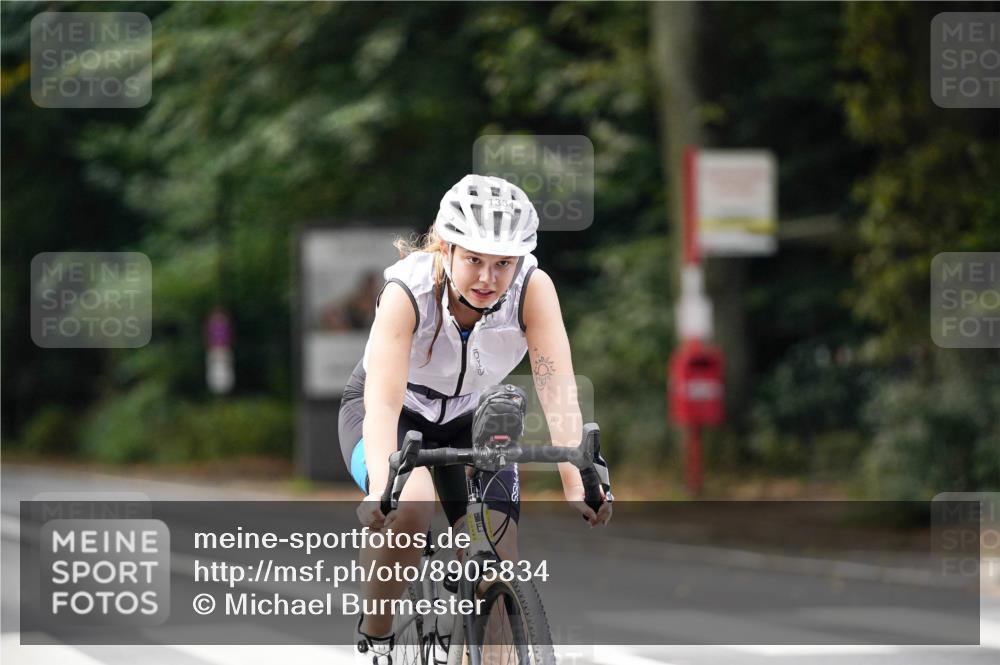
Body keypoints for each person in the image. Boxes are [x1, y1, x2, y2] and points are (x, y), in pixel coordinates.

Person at [338, 174, 612, 664]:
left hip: (471, 414)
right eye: (474, 260)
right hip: (392, 412)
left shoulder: (533, 288)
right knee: (411, 506)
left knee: (495, 555)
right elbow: (382, 404)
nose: (488, 278)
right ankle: (375, 636)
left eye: (502, 263)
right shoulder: (408, 291)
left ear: (520, 260)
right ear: (446, 249)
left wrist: (578, 477)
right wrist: (384, 484)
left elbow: (556, 386)